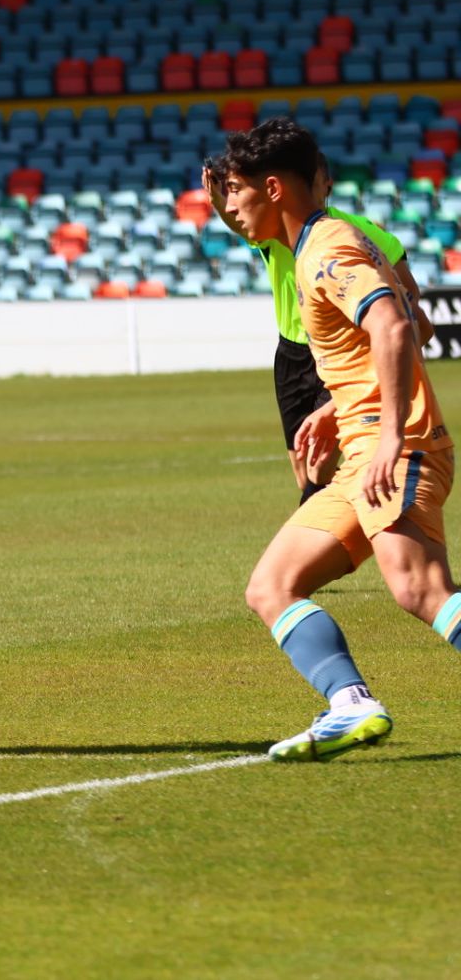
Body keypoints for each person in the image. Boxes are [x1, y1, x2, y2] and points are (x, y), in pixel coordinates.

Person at [222, 119, 461, 761]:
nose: (231, 207)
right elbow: (402, 324)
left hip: (394, 449)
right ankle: (350, 705)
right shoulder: (311, 247)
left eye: (238, 191)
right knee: (271, 586)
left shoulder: (327, 249)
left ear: (272, 188)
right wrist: (337, 405)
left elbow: (395, 327)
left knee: (420, 589)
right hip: (361, 454)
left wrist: (387, 435)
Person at [203, 153, 431, 504]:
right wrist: (221, 203)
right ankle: (320, 523)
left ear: (325, 184)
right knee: (302, 463)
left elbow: (409, 301)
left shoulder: (357, 232)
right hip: (292, 354)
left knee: (321, 464)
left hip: (340, 352)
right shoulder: (278, 228)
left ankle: (324, 529)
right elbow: (242, 224)